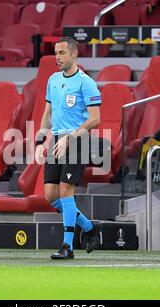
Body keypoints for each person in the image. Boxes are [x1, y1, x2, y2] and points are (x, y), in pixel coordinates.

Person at [35, 37, 102, 260]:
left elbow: (95, 119)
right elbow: (47, 113)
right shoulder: (53, 80)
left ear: (74, 54)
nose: (57, 57)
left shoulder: (85, 82)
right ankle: (89, 227)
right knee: (50, 195)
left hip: (77, 139)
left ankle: (68, 246)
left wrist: (70, 137)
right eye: (56, 53)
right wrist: (40, 141)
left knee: (65, 190)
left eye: (62, 53)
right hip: (56, 139)